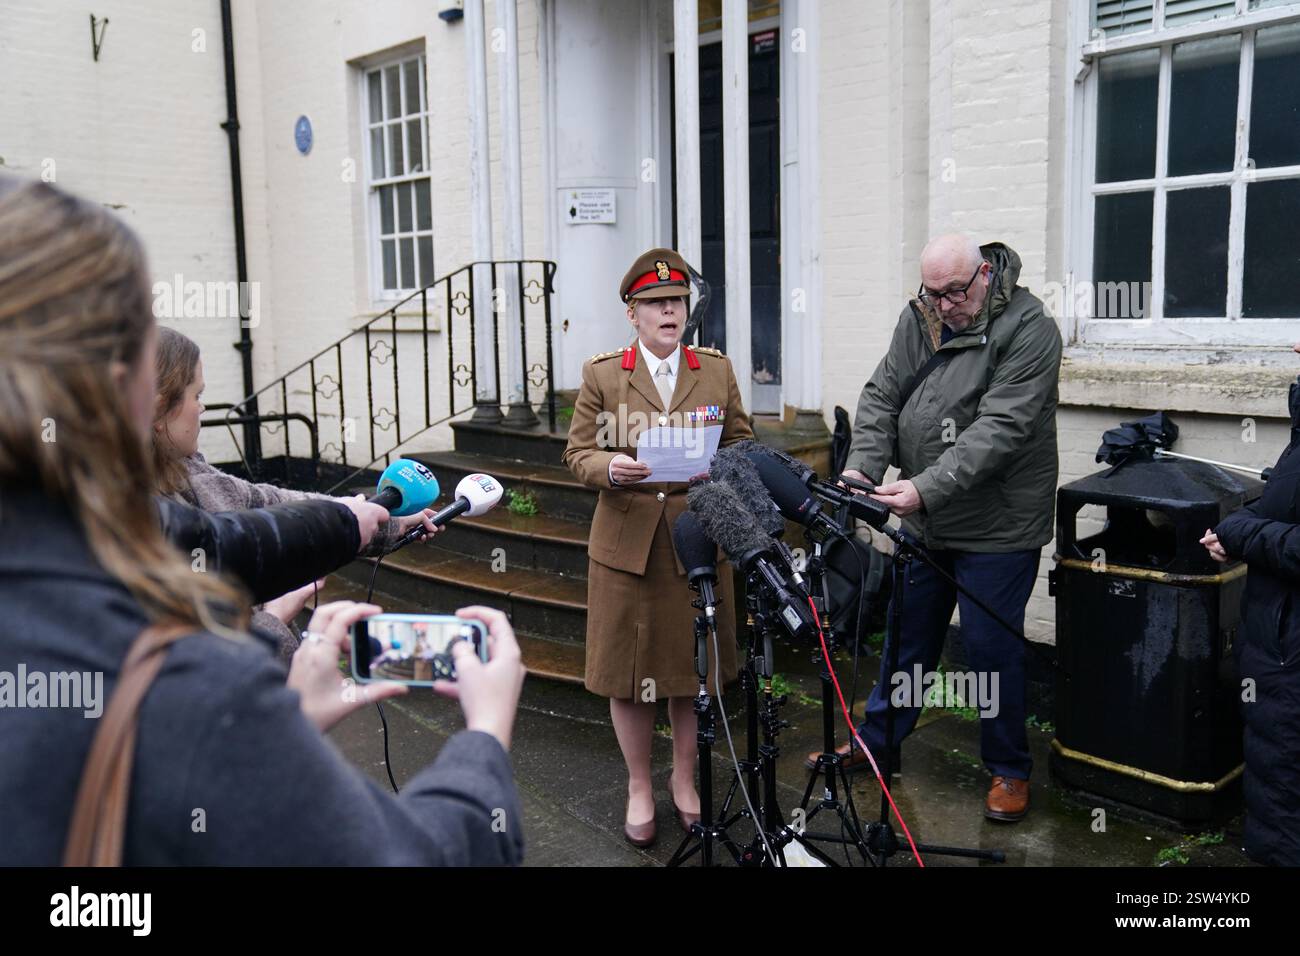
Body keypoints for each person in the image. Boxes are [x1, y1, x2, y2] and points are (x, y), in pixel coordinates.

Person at [0, 175, 526, 865]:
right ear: (128, 387)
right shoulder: (191, 686)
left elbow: (254, 522)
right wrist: (484, 737)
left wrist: (370, 520)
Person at [810, 234, 1062, 823]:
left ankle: (1008, 769)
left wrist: (925, 486)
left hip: (997, 525)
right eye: (933, 293)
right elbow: (880, 396)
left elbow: (1000, 429)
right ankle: (879, 743)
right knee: (907, 637)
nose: (945, 306)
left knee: (989, 649)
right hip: (924, 520)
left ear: (984, 277)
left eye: (955, 292)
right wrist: (860, 470)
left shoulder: (1031, 329)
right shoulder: (920, 317)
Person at [563, 248, 753, 846]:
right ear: (633, 314)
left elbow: (743, 443)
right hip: (627, 548)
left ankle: (685, 781)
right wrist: (611, 467)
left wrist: (716, 468)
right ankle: (640, 784)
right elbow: (577, 453)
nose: (668, 311)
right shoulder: (602, 374)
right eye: (655, 304)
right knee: (630, 674)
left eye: (675, 302)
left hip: (698, 540)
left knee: (693, 670)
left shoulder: (716, 371)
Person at [150, 325, 440, 661]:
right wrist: (273, 620)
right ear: (158, 408)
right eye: (196, 395)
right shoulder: (129, 520)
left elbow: (268, 503)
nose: (202, 408)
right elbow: (192, 660)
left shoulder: (188, 470)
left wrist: (383, 518)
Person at [1202, 345, 1300, 865]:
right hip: (1276, 644)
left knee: (1284, 806)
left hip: (1290, 659)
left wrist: (1242, 531)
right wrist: (1240, 529)